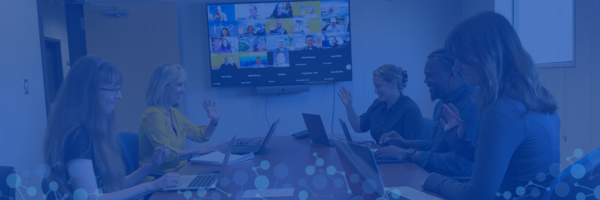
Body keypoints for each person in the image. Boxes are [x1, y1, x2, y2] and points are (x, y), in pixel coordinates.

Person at [421, 12, 560, 200]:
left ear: (486, 56)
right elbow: (503, 164)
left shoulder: (502, 111)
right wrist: (458, 144)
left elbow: (476, 195)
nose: (455, 68)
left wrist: (434, 180)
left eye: (461, 58)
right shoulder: (533, 96)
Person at [43, 56, 180, 200]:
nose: (119, 96)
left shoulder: (93, 131)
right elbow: (91, 198)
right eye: (113, 90)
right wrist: (152, 186)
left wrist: (151, 165)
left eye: (119, 89)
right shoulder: (77, 137)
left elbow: (113, 186)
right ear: (88, 92)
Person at [375, 48, 479, 177]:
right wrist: (404, 143)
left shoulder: (473, 105)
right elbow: (436, 146)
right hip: (433, 177)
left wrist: (408, 154)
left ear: (451, 75)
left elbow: (461, 165)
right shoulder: (441, 104)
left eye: (429, 75)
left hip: (452, 185)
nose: (425, 81)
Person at [139, 64, 221, 173]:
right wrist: (198, 151)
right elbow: (166, 154)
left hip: (179, 171)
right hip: (158, 178)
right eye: (179, 85)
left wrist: (214, 121)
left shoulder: (174, 113)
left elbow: (199, 135)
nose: (184, 90)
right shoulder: (152, 115)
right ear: (163, 86)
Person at [338, 64, 423, 142]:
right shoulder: (377, 103)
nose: (375, 91)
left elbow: (410, 148)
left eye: (378, 86)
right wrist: (348, 106)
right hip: (380, 153)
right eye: (375, 86)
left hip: (397, 157)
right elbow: (359, 127)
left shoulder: (411, 109)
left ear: (393, 83)